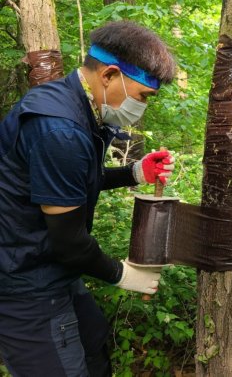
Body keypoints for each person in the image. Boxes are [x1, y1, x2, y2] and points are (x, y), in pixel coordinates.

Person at [0, 20, 177, 377]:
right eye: (143, 96)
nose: (142, 107)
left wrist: (133, 173)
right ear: (110, 75)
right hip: (24, 280)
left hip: (51, 268)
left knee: (93, 341)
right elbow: (69, 242)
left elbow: (71, 183)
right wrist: (123, 274)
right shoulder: (60, 129)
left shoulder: (75, 108)